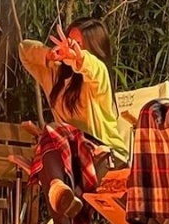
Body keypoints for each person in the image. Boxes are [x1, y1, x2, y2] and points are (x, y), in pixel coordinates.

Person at [19, 18, 130, 224]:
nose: (69, 48)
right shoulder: (54, 74)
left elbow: (96, 70)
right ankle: (59, 189)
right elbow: (24, 49)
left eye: (77, 44)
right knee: (51, 146)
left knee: (53, 132)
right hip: (70, 159)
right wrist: (48, 54)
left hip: (104, 157)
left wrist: (79, 58)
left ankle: (58, 188)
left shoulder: (98, 80)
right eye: (68, 41)